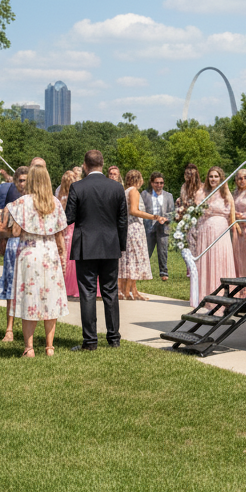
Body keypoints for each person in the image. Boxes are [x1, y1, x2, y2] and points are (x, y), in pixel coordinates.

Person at [65, 149, 128, 351]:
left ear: (85, 165)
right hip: (110, 245)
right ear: (102, 164)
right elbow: (122, 220)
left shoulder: (77, 187)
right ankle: (114, 338)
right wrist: (121, 245)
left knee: (88, 293)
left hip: (86, 246)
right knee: (110, 292)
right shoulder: (117, 188)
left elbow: (69, 218)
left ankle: (90, 341)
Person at [5, 164, 70, 356]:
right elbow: (60, 234)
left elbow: (15, 232)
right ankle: (49, 347)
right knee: (50, 298)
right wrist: (62, 255)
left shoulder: (22, 202)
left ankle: (29, 347)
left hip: (29, 252)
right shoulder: (55, 203)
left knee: (30, 298)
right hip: (49, 252)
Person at [120, 170, 165, 300]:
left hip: (131, 228)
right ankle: (130, 291)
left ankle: (132, 290)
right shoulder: (133, 191)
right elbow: (134, 210)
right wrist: (154, 217)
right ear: (139, 179)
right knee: (134, 259)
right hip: (134, 228)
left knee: (131, 259)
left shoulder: (126, 191)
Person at [0, 165, 28, 342]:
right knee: (12, 287)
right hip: (14, 247)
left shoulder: (38, 203)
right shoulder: (10, 206)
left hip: (31, 246)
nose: (23, 184)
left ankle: (28, 329)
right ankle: (9, 329)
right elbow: (2, 232)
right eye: (20, 180)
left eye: (26, 181)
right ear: (15, 182)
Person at [195, 166, 237, 300]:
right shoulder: (203, 193)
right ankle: (205, 295)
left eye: (216, 176)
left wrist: (235, 232)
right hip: (206, 232)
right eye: (211, 176)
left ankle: (221, 294)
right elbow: (197, 212)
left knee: (220, 260)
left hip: (221, 233)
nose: (213, 179)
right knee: (208, 262)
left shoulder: (226, 193)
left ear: (221, 178)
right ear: (207, 178)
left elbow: (232, 216)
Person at [143, 172, 174, 281]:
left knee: (163, 250)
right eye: (156, 183)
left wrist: (166, 219)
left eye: (161, 183)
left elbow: (172, 213)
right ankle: (142, 272)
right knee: (146, 250)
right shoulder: (145, 194)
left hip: (163, 227)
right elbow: (141, 211)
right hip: (148, 226)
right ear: (151, 183)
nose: (159, 185)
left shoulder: (168, 196)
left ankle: (163, 272)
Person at [57, 170, 80, 298]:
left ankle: (64, 285)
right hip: (71, 229)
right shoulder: (72, 199)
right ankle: (72, 286)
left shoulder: (60, 198)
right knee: (72, 260)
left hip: (64, 231)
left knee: (65, 258)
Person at [176, 163, 203, 253]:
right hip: (188, 220)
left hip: (200, 220)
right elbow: (183, 202)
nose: (188, 176)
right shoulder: (184, 187)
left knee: (200, 247)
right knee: (190, 248)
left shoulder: (202, 187)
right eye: (186, 174)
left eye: (190, 174)